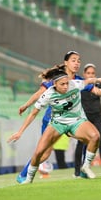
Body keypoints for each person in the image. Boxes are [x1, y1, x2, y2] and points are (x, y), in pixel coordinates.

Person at [7, 68, 101, 183]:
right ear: (55, 84)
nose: (66, 86)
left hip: (76, 121)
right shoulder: (48, 94)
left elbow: (88, 81)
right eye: (62, 84)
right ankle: (29, 179)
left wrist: (99, 80)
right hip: (57, 124)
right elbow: (33, 114)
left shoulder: (75, 84)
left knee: (95, 136)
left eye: (67, 83)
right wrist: (20, 132)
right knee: (39, 152)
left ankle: (85, 167)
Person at [16, 51, 83, 182]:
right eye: (73, 60)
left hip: (70, 120)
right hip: (52, 121)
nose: (77, 63)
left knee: (88, 136)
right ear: (66, 63)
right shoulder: (56, 79)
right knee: (44, 153)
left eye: (79, 61)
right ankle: (23, 175)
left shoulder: (79, 80)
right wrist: (26, 105)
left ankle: (82, 170)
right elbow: (39, 94)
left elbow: (95, 87)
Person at [75, 63, 101, 177]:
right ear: (84, 74)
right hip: (84, 118)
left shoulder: (97, 85)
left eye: (93, 73)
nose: (90, 75)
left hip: (97, 117)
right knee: (81, 144)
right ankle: (77, 172)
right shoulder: (80, 85)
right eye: (88, 73)